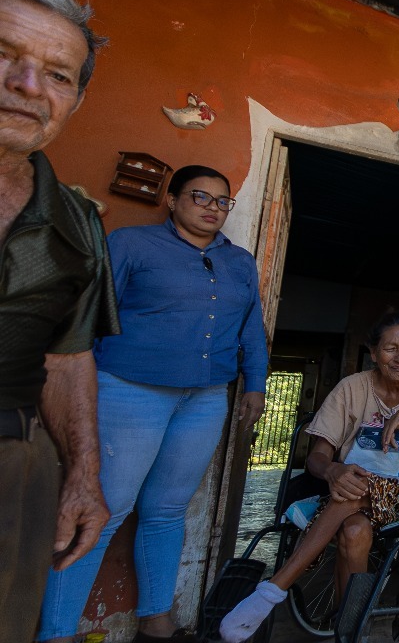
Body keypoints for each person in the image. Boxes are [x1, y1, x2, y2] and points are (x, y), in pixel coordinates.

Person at [38, 164, 269, 643]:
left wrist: (255, 383)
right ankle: (57, 633)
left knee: (167, 509)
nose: (212, 208)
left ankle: (156, 621)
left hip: (205, 398)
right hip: (129, 389)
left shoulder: (240, 261)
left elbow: (250, 326)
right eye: (200, 197)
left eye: (221, 201)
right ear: (173, 199)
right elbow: (91, 314)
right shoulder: (130, 243)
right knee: (104, 509)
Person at [219, 308, 399, 643]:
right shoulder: (351, 388)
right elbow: (317, 457)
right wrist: (332, 469)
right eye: (390, 349)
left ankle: (272, 590)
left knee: (356, 491)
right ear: (373, 353)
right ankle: (354, 630)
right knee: (354, 530)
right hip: (349, 493)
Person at [0, 0, 119, 643]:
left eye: (57, 74)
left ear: (73, 101)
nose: (25, 86)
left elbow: (68, 355)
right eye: (5, 54)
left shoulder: (75, 224)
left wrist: (83, 475)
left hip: (14, 465)